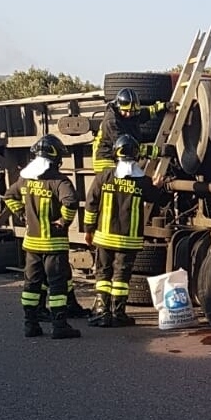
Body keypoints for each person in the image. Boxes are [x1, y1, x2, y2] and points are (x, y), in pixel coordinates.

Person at [3, 134, 81, 340]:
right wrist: (64, 222)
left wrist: (21, 214)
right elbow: (71, 202)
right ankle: (60, 326)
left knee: (31, 285)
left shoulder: (25, 179)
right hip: (54, 245)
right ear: (55, 158)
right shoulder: (59, 181)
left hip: (32, 245)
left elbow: (9, 196)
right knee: (57, 286)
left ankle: (31, 325)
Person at [84, 134, 162, 327]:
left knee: (103, 273)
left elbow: (91, 205)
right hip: (129, 239)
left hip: (104, 237)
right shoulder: (142, 181)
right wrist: (158, 186)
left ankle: (102, 311)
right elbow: (158, 199)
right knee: (122, 276)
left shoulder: (104, 177)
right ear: (136, 155)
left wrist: (88, 230)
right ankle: (118, 312)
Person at [91, 88, 174, 172]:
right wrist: (158, 151)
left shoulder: (130, 114)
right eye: (126, 111)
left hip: (118, 158)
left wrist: (164, 106)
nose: (129, 114)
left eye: (132, 111)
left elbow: (147, 113)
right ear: (118, 107)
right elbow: (127, 147)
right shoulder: (111, 122)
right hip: (105, 161)